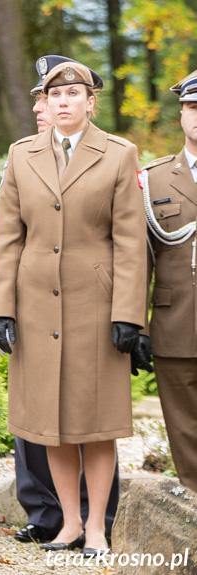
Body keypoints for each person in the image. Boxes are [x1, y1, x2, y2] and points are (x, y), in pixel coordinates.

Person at [0, 61, 147, 556]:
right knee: (49, 423)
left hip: (94, 308)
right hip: (35, 306)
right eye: (55, 95)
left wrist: (128, 314)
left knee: (96, 422)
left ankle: (98, 527)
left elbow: (130, 241)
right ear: (46, 103)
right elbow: (9, 236)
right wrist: (1, 309)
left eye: (73, 94)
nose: (63, 102)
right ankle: (70, 524)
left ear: (89, 102)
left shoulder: (119, 155)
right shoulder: (22, 155)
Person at [137, 69, 197, 493]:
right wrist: (135, 325)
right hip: (177, 321)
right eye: (193, 107)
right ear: (181, 114)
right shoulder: (153, 179)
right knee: (184, 422)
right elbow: (138, 259)